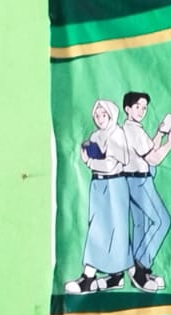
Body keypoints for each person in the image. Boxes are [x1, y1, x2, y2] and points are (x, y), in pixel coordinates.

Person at [63, 99, 131, 294]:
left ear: (111, 115)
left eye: (104, 115)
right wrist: (90, 159)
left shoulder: (117, 134)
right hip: (97, 184)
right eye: (97, 116)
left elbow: (112, 164)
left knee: (116, 230)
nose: (100, 119)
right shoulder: (95, 135)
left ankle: (94, 277)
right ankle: (102, 275)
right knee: (97, 228)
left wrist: (90, 161)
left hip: (115, 184)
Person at [120, 90, 171, 293]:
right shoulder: (134, 131)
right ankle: (141, 268)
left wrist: (160, 133)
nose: (142, 111)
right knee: (162, 221)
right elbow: (154, 158)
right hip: (139, 181)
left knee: (140, 225)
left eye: (144, 107)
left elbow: (147, 151)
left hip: (130, 179)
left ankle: (139, 271)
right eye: (138, 107)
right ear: (127, 109)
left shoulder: (131, 128)